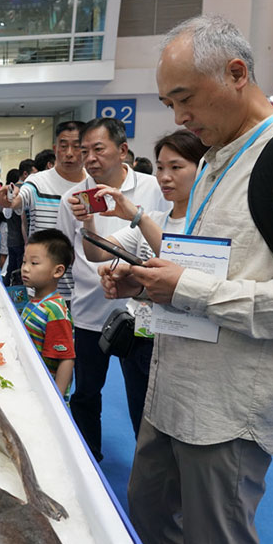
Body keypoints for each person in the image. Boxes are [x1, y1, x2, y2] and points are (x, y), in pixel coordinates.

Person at [98, 16, 273, 544]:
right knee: (145, 514)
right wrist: (148, 284)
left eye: (184, 98)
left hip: (227, 409)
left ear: (237, 72)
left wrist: (184, 289)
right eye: (168, 104)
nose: (180, 116)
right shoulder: (211, 159)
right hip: (168, 392)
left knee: (216, 535)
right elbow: (207, 267)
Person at [70, 129, 206, 436]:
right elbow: (95, 252)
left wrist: (137, 217)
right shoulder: (156, 218)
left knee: (179, 432)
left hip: (185, 344)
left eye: (176, 167)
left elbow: (184, 265)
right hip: (142, 337)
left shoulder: (204, 224)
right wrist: (88, 218)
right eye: (160, 168)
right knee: (143, 428)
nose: (165, 177)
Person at [56, 117, 169, 462]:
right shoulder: (72, 199)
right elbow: (70, 254)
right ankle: (89, 456)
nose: (88, 157)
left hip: (145, 314)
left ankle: (149, 463)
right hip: (91, 310)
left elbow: (165, 244)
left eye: (97, 149)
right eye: (82, 149)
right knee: (87, 391)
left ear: (122, 150)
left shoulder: (153, 188)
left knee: (144, 395)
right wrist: (63, 305)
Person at [0, 121, 88, 301]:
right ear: (55, 148)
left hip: (83, 288)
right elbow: (19, 198)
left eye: (76, 147)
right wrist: (9, 200)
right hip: (43, 290)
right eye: (63, 146)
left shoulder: (92, 184)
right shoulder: (38, 181)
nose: (69, 153)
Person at [20, 228, 75, 400]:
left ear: (57, 271)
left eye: (34, 263)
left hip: (44, 391)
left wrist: (56, 398)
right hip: (32, 383)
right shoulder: (35, 300)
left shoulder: (55, 311)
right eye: (24, 262)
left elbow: (66, 359)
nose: (25, 269)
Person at [2, 168, 24, 285]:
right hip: (20, 239)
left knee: (11, 266)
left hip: (11, 237)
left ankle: (6, 287)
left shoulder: (7, 195)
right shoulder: (21, 193)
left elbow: (6, 214)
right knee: (18, 269)